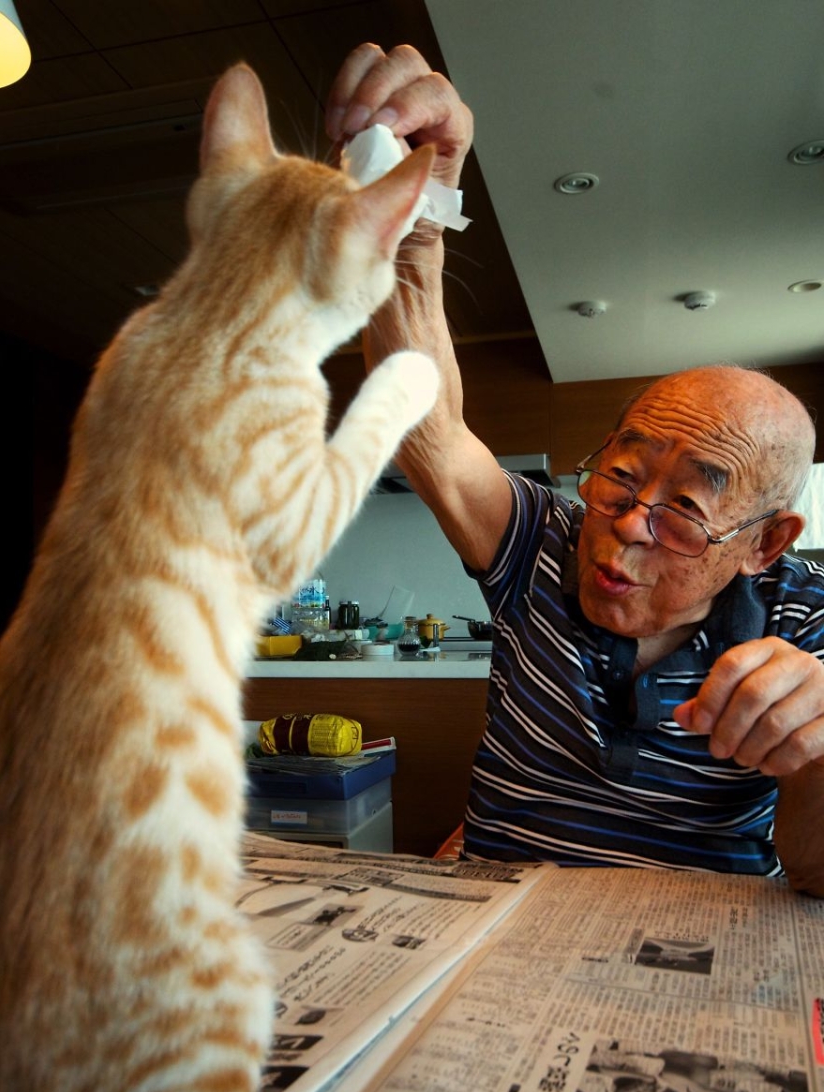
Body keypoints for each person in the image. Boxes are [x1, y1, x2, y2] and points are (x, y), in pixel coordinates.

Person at [326, 44, 824, 895]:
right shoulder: (541, 538)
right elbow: (427, 425)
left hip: (700, 939)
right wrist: (421, 210)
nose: (627, 523)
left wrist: (815, 742)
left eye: (682, 512)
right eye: (620, 479)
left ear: (764, 544)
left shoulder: (806, 623)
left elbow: (814, 874)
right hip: (491, 914)